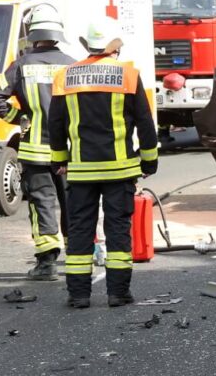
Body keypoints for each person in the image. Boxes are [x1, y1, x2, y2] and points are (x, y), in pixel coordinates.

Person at [49, 21, 158, 308]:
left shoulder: (65, 76)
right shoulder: (129, 75)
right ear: (115, 47)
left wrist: (60, 159)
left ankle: (79, 295)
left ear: (87, 45)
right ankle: (118, 293)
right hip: (119, 171)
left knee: (80, 230)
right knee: (118, 229)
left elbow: (56, 124)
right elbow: (145, 123)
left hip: (81, 171)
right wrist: (149, 162)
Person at [0, 5, 76, 280]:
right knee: (73, 203)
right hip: (70, 151)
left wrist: (21, 119)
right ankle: (78, 257)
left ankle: (47, 264)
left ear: (32, 33)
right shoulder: (72, 65)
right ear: (57, 32)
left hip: (35, 152)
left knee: (42, 204)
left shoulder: (21, 65)